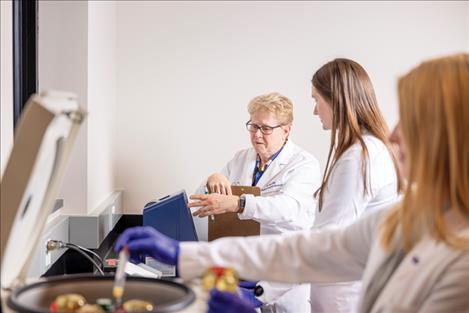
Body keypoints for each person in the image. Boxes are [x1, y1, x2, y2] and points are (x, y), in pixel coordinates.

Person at [116, 53, 469, 313]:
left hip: (322, 295)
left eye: (411, 119)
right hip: (297, 284)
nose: (393, 133)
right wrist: (188, 255)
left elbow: (306, 229)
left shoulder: (459, 263)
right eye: (252, 126)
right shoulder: (411, 217)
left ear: (453, 132)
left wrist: (256, 293)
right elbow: (319, 247)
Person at [190, 92, 321, 313]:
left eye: (266, 128)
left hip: (283, 278)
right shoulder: (241, 159)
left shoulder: (303, 165)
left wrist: (239, 203)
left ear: (286, 130)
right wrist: (212, 179)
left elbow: (289, 208)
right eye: (253, 126)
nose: (257, 135)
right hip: (244, 271)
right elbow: (202, 201)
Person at [308, 59, 401, 312]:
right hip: (342, 288)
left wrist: (262, 289)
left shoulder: (361, 155)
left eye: (316, 100)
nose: (315, 111)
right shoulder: (364, 149)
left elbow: (325, 237)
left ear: (336, 99)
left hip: (345, 294)